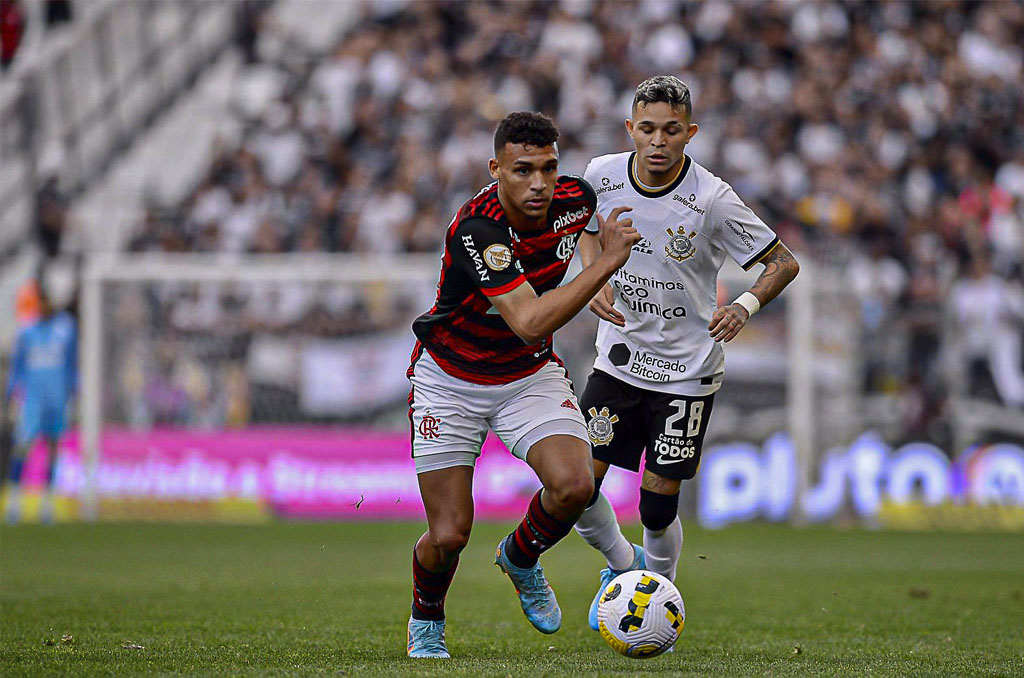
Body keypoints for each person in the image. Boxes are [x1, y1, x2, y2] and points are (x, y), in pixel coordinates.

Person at [404, 111, 640, 658]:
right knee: (449, 536)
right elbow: (532, 320)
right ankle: (427, 621)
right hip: (450, 380)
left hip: (526, 374)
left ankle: (520, 555)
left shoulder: (573, 198)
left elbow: (583, 225)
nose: (539, 183)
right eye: (523, 170)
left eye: (549, 169)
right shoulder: (476, 230)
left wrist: (590, 258)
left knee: (575, 485)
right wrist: (603, 267)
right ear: (497, 169)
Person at [573, 76, 801, 632]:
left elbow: (783, 263)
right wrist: (591, 270)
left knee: (656, 506)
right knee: (575, 489)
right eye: (646, 129)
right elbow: (575, 227)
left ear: (690, 133)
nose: (657, 141)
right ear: (630, 129)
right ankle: (628, 572)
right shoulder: (600, 176)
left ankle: (660, 596)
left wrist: (744, 304)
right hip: (619, 359)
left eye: (671, 131)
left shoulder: (712, 199)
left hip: (687, 371)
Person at [3, 286, 77, 523]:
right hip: (32, 401)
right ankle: (14, 501)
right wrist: (11, 395)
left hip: (57, 400)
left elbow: (72, 365)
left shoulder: (66, 329)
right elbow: (18, 367)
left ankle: (47, 503)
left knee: (54, 448)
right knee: (23, 447)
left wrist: (73, 394)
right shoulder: (27, 332)